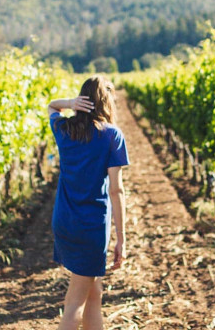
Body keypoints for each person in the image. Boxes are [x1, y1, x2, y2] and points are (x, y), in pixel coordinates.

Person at [47, 75, 129, 330]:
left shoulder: (64, 129)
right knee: (74, 304)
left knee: (94, 293)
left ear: (83, 101)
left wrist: (70, 102)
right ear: (106, 102)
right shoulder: (111, 136)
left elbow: (52, 106)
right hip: (91, 227)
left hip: (64, 221)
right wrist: (122, 239)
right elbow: (116, 191)